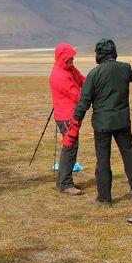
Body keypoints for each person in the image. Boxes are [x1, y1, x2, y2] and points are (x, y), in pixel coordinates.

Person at [65, 39, 132, 206]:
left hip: (102, 124)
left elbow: (84, 101)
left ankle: (104, 198)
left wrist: (75, 121)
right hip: (122, 121)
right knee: (129, 156)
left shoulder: (94, 74)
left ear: (98, 54)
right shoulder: (125, 68)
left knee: (103, 159)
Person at [49, 43, 86, 195]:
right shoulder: (59, 75)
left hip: (70, 114)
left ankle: (63, 181)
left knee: (70, 147)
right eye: (70, 58)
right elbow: (78, 96)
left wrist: (94, 83)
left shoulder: (69, 68)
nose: (72, 60)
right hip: (66, 116)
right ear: (63, 58)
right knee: (70, 147)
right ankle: (65, 183)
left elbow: (82, 79)